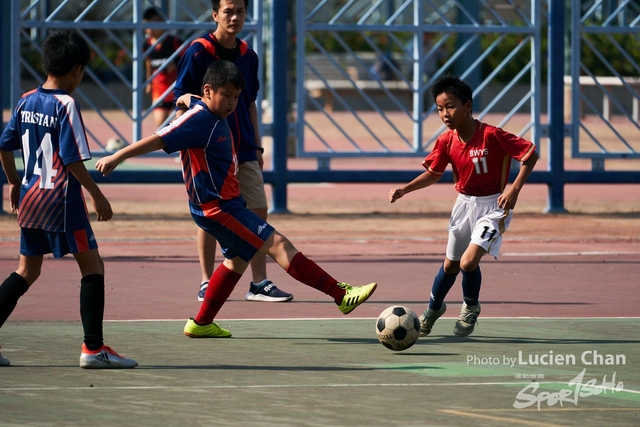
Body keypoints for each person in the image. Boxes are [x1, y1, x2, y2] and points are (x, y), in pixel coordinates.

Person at [96, 60, 377, 337]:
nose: (232, 103)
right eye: (226, 95)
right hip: (218, 207)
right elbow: (159, 138)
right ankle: (340, 293)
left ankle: (201, 323)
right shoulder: (199, 120)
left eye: (236, 97)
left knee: (236, 262)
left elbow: (188, 100)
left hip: (223, 203)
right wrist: (117, 156)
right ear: (208, 91)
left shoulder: (208, 111)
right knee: (278, 244)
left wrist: (184, 98)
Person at [0, 30, 137, 368]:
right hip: (61, 201)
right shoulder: (67, 104)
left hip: (31, 197)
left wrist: (14, 183)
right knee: (93, 267)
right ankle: (93, 349)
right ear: (77, 69)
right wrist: (96, 193)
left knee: (27, 271)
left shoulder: (26, 100)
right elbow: (71, 157)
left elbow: (4, 145)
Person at [389, 76, 538, 337]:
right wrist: (405, 189)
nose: (445, 114)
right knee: (450, 266)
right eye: (439, 108)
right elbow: (434, 173)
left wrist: (514, 189)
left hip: (494, 206)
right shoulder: (446, 141)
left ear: (468, 106)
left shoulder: (491, 135)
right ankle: (434, 308)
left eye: (450, 106)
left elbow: (530, 154)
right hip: (463, 205)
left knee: (469, 262)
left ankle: (470, 307)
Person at [174, 0, 294, 304]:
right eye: (229, 11)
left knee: (257, 209)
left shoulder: (248, 55)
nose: (235, 17)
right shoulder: (198, 51)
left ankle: (258, 282)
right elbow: (180, 95)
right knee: (213, 215)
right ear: (215, 14)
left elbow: (249, 102)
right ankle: (206, 280)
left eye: (240, 11)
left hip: (243, 147)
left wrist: (255, 144)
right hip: (210, 150)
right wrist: (189, 119)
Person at [143, 6, 183, 128]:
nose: (150, 28)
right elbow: (148, 62)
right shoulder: (147, 45)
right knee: (161, 125)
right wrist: (149, 81)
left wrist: (176, 65)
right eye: (147, 24)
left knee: (181, 123)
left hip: (177, 89)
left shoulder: (174, 42)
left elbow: (186, 59)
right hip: (159, 90)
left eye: (155, 23)